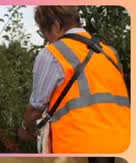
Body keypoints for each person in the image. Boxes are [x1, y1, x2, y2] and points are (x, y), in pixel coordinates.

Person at [18, 6, 129, 153]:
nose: (47, 39)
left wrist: (26, 130)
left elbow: (35, 109)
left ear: (56, 25)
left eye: (45, 33)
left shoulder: (52, 53)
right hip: (126, 145)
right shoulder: (110, 54)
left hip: (78, 149)